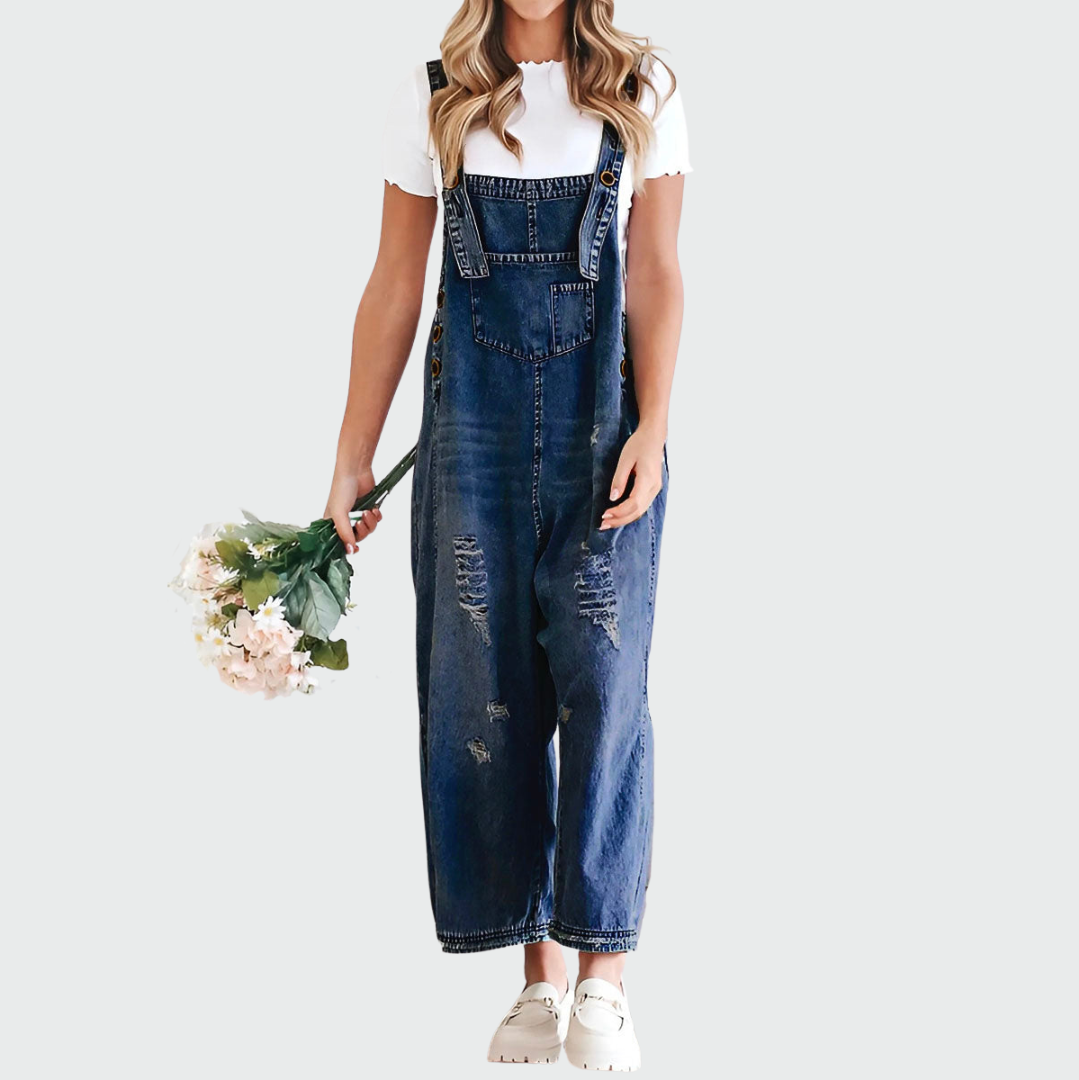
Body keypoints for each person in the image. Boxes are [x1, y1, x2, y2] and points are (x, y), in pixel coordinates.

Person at [324, 1, 690, 1069]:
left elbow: (656, 272)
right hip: (470, 443)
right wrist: (352, 454)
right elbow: (395, 284)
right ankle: (538, 978)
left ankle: (604, 979)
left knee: (606, 689)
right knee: (487, 690)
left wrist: (655, 427)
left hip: (604, 436)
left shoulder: (643, 90)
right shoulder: (436, 95)